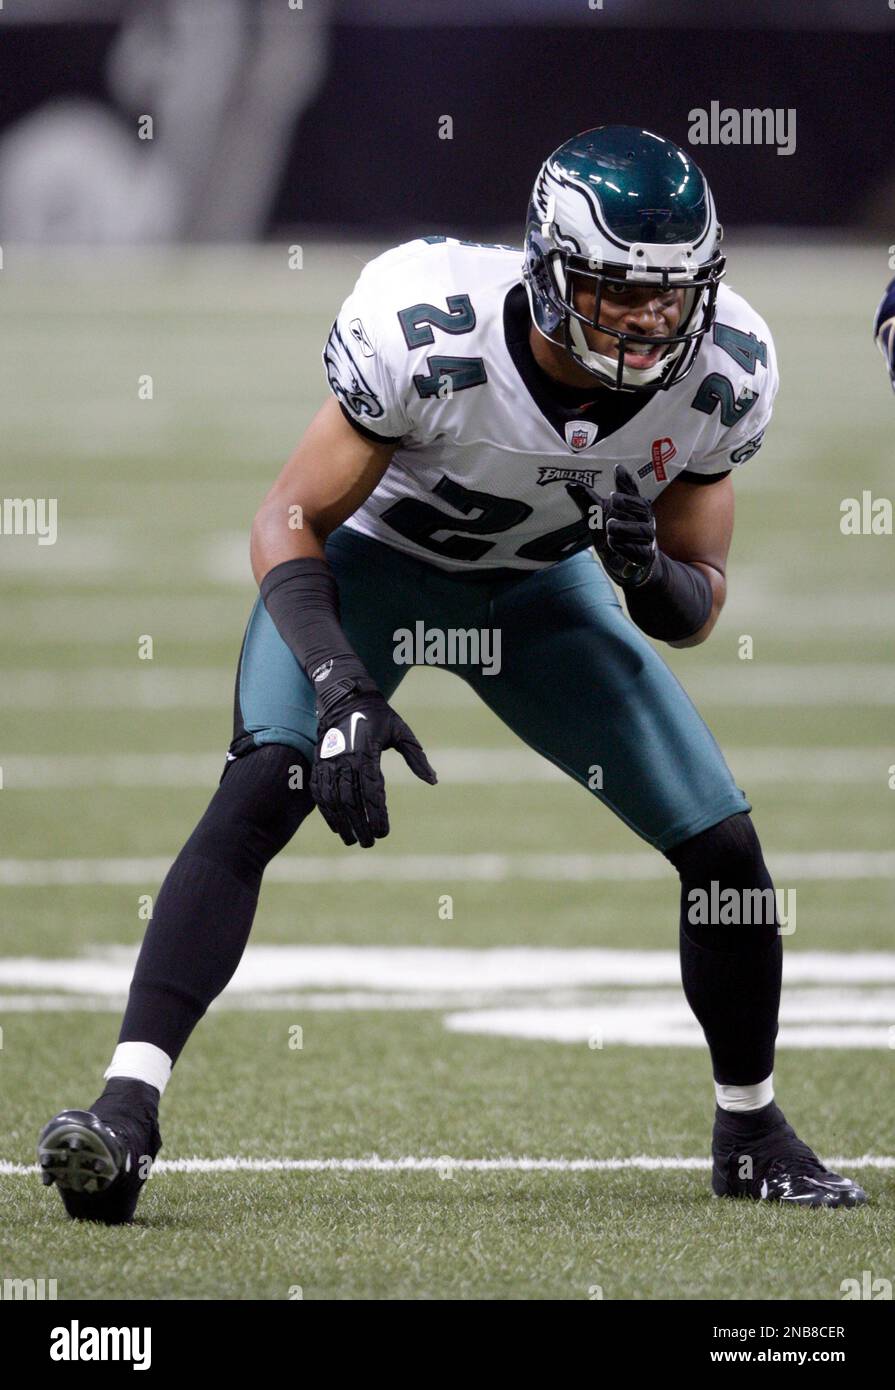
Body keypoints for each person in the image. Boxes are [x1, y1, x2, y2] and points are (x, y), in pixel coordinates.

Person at [38, 126, 866, 1221]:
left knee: (721, 843)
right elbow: (288, 516)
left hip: (537, 593)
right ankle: (125, 1112)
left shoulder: (723, 373)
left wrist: (640, 569)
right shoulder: (427, 324)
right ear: (549, 268)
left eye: (668, 295)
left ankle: (752, 1130)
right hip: (374, 570)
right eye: (615, 289)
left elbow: (697, 603)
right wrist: (341, 686)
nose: (646, 319)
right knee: (260, 788)